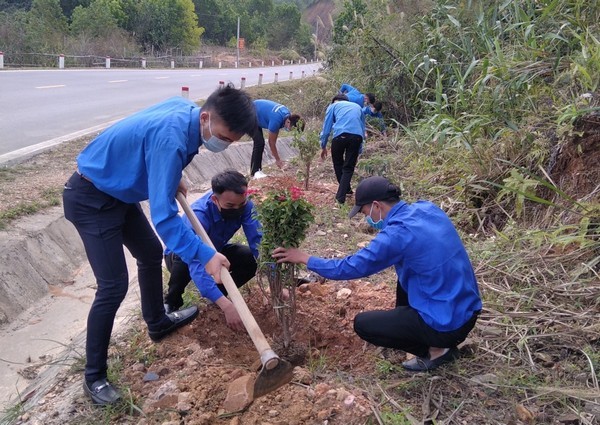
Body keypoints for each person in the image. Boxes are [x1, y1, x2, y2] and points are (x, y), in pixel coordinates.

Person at [62, 84, 256, 406]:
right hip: (91, 198)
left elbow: (151, 146)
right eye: (225, 137)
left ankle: (157, 322)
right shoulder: (172, 138)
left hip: (118, 192)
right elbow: (165, 219)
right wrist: (205, 255)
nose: (224, 144)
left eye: (233, 142)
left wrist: (170, 174)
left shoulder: (186, 112)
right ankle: (94, 376)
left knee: (151, 253)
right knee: (113, 286)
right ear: (206, 117)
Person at [272, 176, 482, 372]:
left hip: (447, 326)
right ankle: (426, 334)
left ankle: (437, 351)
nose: (366, 219)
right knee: (407, 275)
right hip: (467, 311)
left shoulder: (397, 234)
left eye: (364, 213)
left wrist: (305, 258)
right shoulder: (427, 209)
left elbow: (351, 267)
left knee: (363, 324)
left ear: (376, 206)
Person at [163, 170, 261, 331]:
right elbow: (196, 263)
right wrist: (227, 307)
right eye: (230, 205)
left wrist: (274, 276)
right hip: (181, 256)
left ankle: (220, 293)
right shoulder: (198, 216)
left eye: (241, 204)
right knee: (184, 257)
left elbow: (257, 241)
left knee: (249, 258)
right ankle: (171, 302)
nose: (237, 209)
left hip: (216, 250)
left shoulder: (246, 206)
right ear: (215, 199)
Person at [320, 94, 365, 204]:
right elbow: (362, 129)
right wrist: (359, 150)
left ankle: (340, 198)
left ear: (335, 101)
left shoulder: (333, 106)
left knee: (338, 164)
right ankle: (347, 190)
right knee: (348, 168)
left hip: (340, 135)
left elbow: (326, 129)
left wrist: (323, 145)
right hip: (356, 137)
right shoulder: (358, 107)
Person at [250, 99, 304, 178]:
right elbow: (272, 143)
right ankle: (255, 172)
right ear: (288, 122)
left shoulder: (287, 114)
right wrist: (278, 160)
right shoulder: (276, 120)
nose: (289, 130)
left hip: (257, 111)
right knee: (259, 142)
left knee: (260, 142)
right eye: (291, 129)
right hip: (249, 113)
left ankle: (257, 171)